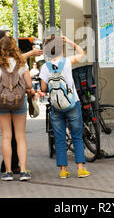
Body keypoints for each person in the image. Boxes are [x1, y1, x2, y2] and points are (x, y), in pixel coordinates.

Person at [39, 35, 91, 179]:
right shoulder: (67, 62)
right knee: (77, 136)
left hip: (56, 105)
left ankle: (63, 170)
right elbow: (82, 53)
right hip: (72, 102)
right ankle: (80, 168)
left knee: (60, 138)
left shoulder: (45, 67)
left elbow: (43, 88)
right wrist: (69, 41)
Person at [0, 36, 35, 181]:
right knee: (20, 137)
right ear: (15, 47)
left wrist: (1, 84)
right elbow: (29, 85)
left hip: (1, 103)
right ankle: (22, 171)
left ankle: (8, 172)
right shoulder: (22, 63)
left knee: (6, 136)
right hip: (18, 102)